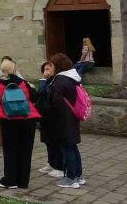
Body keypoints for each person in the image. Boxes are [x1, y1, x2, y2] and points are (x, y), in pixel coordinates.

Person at [0, 59, 41, 189]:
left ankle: (10, 180)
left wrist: (0, 117)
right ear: (14, 69)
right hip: (27, 119)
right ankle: (23, 182)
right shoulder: (23, 83)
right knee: (26, 150)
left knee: (10, 150)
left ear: (2, 70)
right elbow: (35, 98)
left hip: (8, 121)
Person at [49, 53, 85, 188]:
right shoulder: (73, 78)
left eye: (52, 65)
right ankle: (78, 175)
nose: (50, 67)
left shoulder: (60, 80)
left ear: (58, 66)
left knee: (66, 147)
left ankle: (70, 178)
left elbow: (54, 102)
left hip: (63, 118)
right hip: (72, 116)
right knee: (72, 146)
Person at [36, 60, 64, 178]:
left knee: (55, 142)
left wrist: (42, 80)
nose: (46, 72)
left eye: (48, 69)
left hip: (53, 116)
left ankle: (59, 166)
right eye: (44, 69)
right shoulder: (48, 81)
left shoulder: (53, 82)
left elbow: (43, 92)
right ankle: (51, 163)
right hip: (45, 116)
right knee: (48, 141)